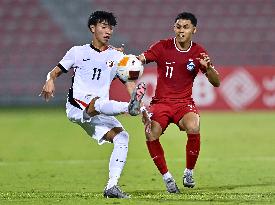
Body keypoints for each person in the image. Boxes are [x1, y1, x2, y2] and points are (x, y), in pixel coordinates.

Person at [40, 11, 146, 198]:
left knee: (122, 138)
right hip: (78, 106)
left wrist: (141, 107)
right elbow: (55, 72)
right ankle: (127, 108)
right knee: (96, 102)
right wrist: (49, 80)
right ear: (92, 28)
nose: (108, 31)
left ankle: (111, 187)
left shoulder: (116, 56)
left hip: (99, 111)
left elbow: (128, 81)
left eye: (110, 28)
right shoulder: (77, 52)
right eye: (103, 27)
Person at [138, 12, 220, 193]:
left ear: (194, 30)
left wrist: (208, 69)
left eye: (186, 27)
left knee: (194, 125)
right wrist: (128, 61)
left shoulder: (199, 52)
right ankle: (167, 178)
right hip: (161, 103)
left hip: (184, 103)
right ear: (174, 28)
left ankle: (189, 172)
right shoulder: (162, 46)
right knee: (151, 133)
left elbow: (216, 82)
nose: (181, 31)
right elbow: (140, 60)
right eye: (178, 27)